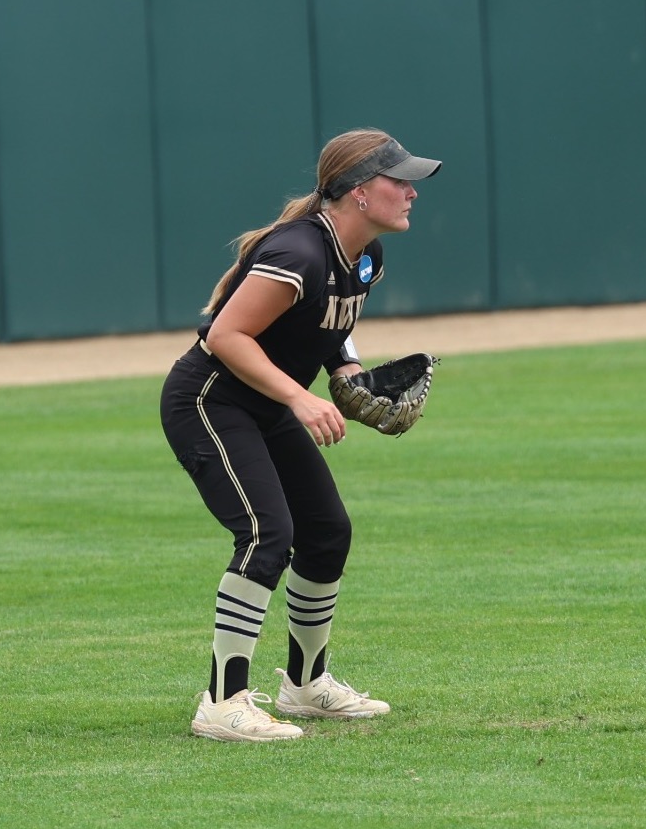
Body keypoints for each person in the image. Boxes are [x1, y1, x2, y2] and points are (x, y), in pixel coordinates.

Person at [159, 128, 442, 742]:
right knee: (266, 532)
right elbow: (225, 336)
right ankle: (222, 700)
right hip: (212, 401)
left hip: (263, 405)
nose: (412, 191)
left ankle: (305, 684)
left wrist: (345, 371)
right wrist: (299, 396)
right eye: (401, 179)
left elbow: (326, 323)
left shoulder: (363, 255)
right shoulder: (299, 253)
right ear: (360, 192)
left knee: (326, 532)